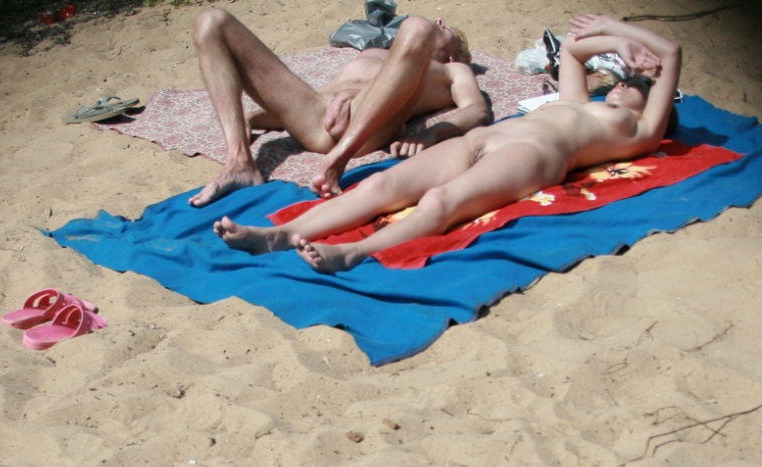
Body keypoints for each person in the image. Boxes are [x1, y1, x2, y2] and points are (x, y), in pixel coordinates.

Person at [213, 14, 682, 273]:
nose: (624, 84)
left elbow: (672, 52)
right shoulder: (577, 100)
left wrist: (627, 36)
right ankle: (280, 235)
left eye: (636, 87)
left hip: (535, 155)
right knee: (382, 185)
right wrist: (617, 42)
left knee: (441, 201)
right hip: (481, 138)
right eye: (625, 79)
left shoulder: (639, 132)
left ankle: (355, 252)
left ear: (656, 112)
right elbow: (576, 49)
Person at [188, 9, 490, 207]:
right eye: (442, 26)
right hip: (317, 116)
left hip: (370, 127)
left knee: (418, 27)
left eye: (448, 32)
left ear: (453, 57)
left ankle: (336, 161)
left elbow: (477, 110)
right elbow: (317, 97)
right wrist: (255, 118)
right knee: (212, 22)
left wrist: (432, 134)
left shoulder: (452, 70)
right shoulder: (379, 52)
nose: (440, 23)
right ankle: (239, 161)